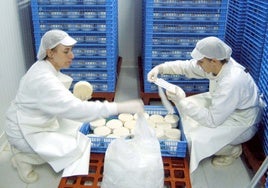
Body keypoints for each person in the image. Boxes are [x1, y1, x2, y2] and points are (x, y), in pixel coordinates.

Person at [5, 29, 144, 183]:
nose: (72, 56)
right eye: (66, 52)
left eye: (71, 50)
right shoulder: (43, 79)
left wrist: (74, 99)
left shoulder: (43, 66)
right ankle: (23, 157)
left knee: (77, 127)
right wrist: (119, 107)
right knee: (75, 147)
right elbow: (75, 109)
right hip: (23, 130)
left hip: (36, 120)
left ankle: (29, 153)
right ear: (50, 53)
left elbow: (54, 100)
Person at [147, 36, 264, 173]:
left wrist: (181, 101)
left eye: (200, 61)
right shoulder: (217, 64)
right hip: (225, 106)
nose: (197, 64)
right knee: (185, 112)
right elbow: (187, 67)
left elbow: (212, 120)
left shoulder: (232, 81)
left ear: (213, 61)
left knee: (194, 138)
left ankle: (232, 150)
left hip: (242, 121)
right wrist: (160, 68)